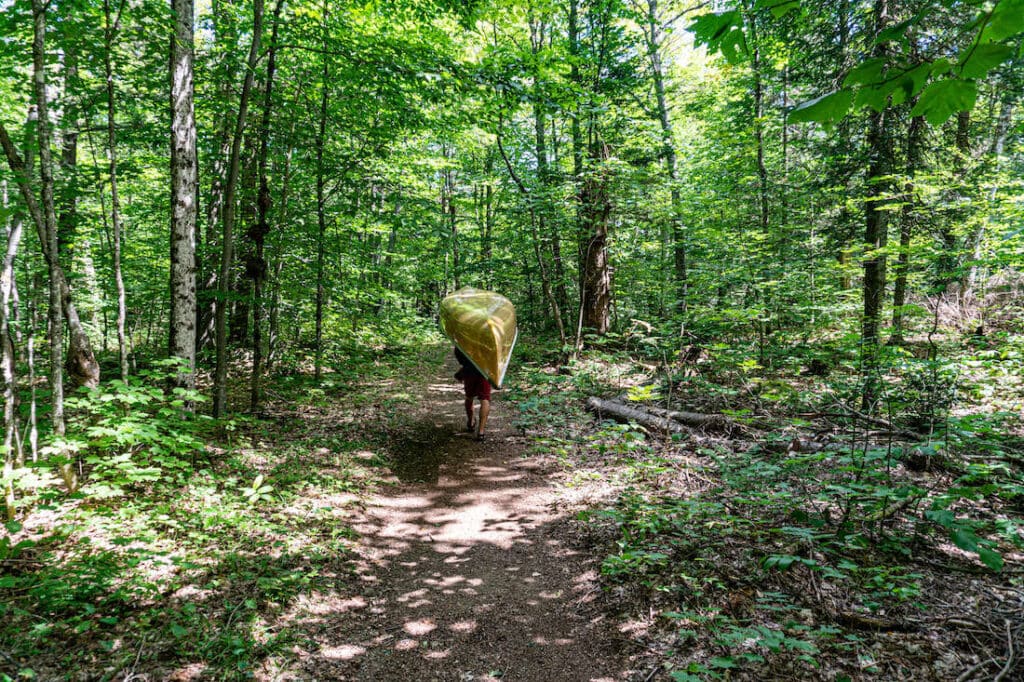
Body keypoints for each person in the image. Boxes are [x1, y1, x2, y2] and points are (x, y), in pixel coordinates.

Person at [454, 347, 491, 440]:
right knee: (484, 399)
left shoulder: (465, 336)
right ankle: (481, 432)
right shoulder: (489, 337)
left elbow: (458, 353)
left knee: (469, 397)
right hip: (484, 370)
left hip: (469, 371)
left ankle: (471, 422)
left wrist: (464, 367)